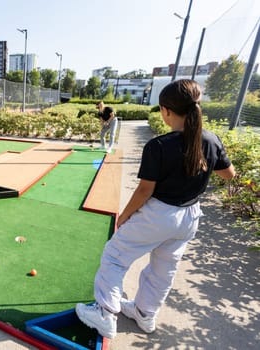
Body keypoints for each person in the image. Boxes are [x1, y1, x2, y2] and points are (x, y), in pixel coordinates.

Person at [76, 80, 236, 339]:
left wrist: (125, 216)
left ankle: (105, 313)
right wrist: (209, 154)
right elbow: (229, 174)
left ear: (165, 110)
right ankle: (145, 314)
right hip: (189, 217)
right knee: (164, 267)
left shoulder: (159, 145)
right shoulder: (210, 139)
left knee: (115, 255)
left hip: (159, 214)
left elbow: (144, 191)